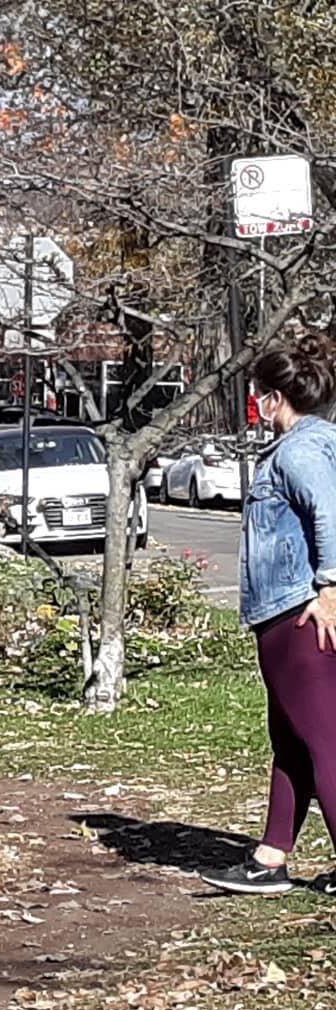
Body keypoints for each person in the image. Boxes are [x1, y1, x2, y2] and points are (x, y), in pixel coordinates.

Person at [201, 335, 336, 895]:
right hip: (289, 614)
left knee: (325, 740)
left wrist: (329, 590)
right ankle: (270, 857)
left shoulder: (299, 452)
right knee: (291, 739)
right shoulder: (321, 443)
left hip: (299, 616)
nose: (254, 404)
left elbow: (332, 518)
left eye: (258, 394)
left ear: (274, 397)